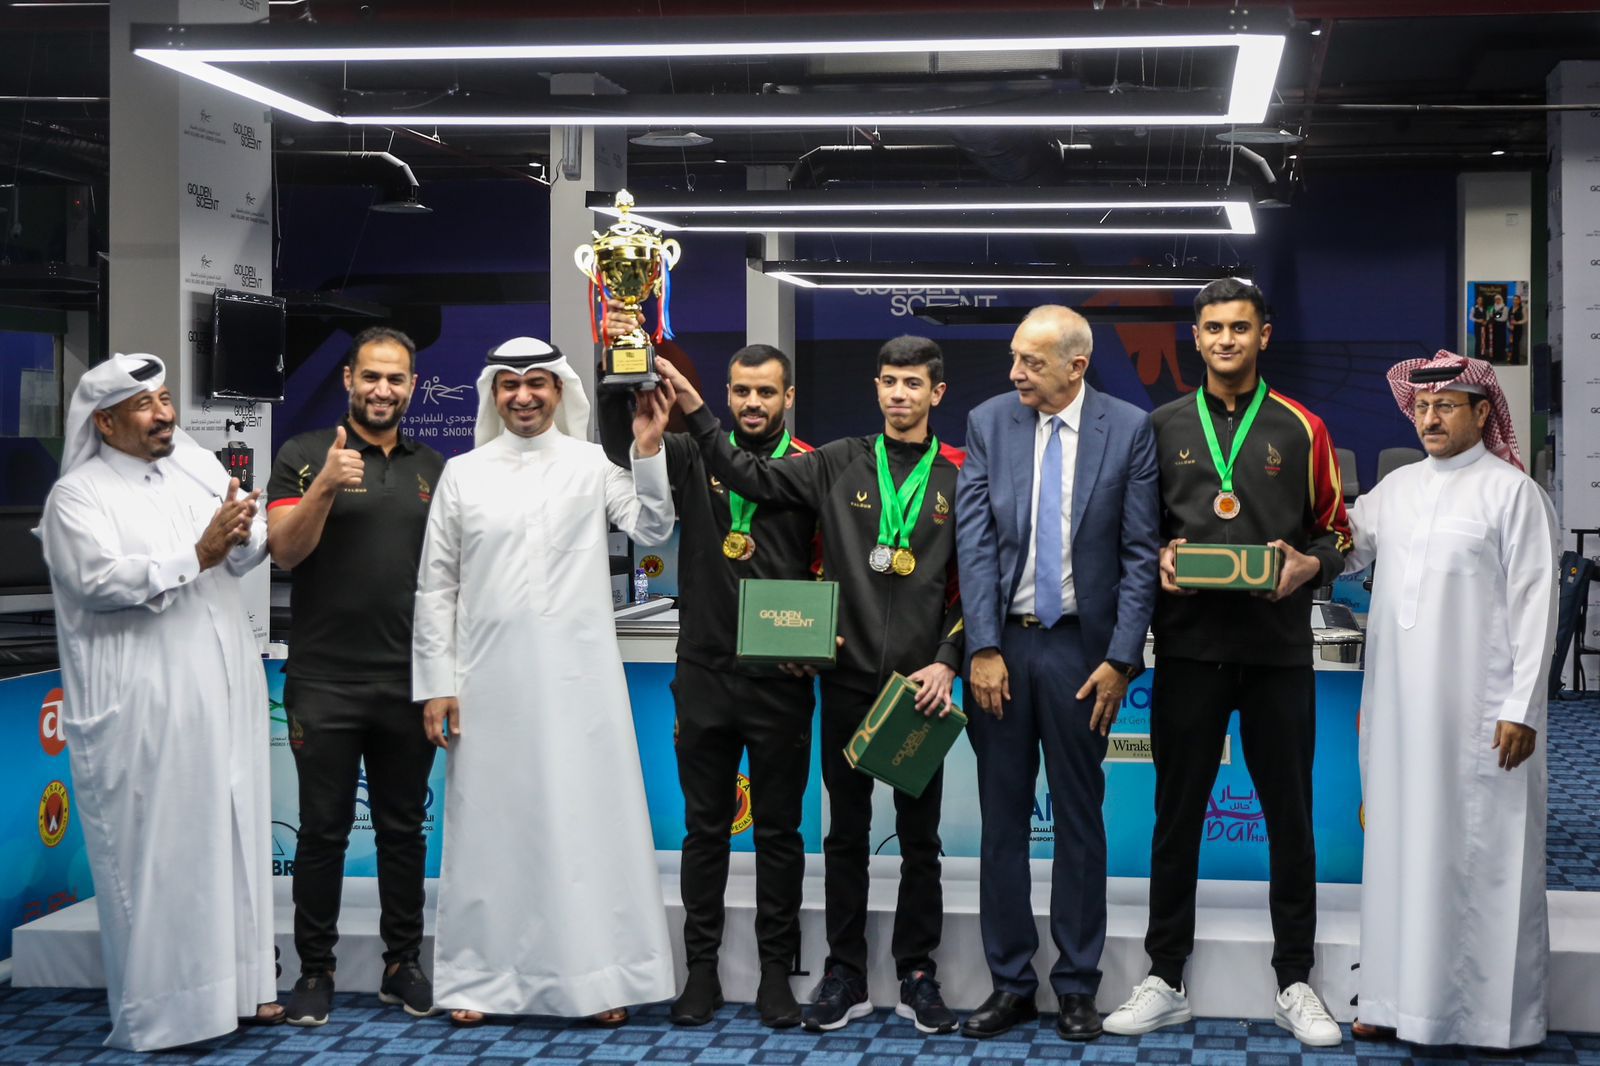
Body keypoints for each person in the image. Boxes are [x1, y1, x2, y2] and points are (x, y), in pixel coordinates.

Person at [657, 336, 965, 1035]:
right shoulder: (836, 461)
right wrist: (697, 410)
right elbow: (748, 476)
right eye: (888, 381)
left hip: (919, 688)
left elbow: (978, 577)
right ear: (875, 387)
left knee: (921, 840)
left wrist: (948, 656)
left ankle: (918, 973)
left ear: (936, 393)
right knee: (845, 835)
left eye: (913, 383)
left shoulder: (959, 474)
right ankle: (845, 972)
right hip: (847, 681)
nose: (899, 394)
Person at [1103, 278, 1350, 1047]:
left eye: (1240, 328)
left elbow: (1336, 533)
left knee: (1291, 818)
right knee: (1176, 817)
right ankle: (1164, 976)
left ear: (1263, 335)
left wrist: (1311, 567)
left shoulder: (1303, 427)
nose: (1226, 340)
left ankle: (1295, 979)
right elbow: (1136, 533)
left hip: (1277, 652)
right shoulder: (1161, 426)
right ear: (1197, 337)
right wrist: (1160, 559)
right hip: (1190, 649)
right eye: (1213, 328)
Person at [412, 337, 677, 1028]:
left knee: (588, 823)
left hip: (579, 682)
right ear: (493, 394)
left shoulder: (592, 464)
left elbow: (653, 527)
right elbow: (436, 587)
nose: (523, 395)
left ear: (560, 391)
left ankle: (601, 978)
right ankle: (480, 980)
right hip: (486, 684)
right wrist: (436, 683)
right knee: (491, 829)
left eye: (537, 383)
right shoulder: (463, 474)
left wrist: (648, 449)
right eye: (510, 384)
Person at [38, 353, 278, 1050]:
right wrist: (197, 554)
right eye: (145, 406)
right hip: (143, 700)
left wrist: (245, 531)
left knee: (228, 836)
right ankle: (167, 1013)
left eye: (166, 399)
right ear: (105, 423)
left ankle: (239, 992)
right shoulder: (76, 497)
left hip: (221, 684)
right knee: (166, 850)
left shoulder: (196, 467)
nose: (165, 415)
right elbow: (98, 583)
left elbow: (242, 554)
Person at [596, 303, 817, 1029]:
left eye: (766, 392)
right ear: (727, 394)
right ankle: (701, 971)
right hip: (704, 674)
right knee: (704, 830)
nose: (753, 402)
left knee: (779, 833)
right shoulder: (689, 455)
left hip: (780, 680)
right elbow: (623, 440)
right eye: (741, 391)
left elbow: (827, 565)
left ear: (788, 397)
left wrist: (816, 643)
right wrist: (620, 353)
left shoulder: (811, 465)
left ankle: (777, 973)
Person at [954, 305, 1160, 1042]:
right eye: (1014, 358)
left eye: (1031, 363)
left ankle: (1076, 985)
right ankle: (1010, 983)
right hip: (1002, 652)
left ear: (1077, 366)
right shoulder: (989, 423)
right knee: (1002, 821)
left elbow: (1140, 554)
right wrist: (981, 646)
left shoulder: (1128, 430)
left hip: (1083, 656)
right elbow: (974, 544)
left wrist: (1121, 659)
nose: (1015, 373)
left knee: (1079, 820)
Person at [1344, 350, 1557, 1050]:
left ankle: (1490, 1019)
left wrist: (1522, 708)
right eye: (1422, 407)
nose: (1430, 419)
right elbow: (1342, 546)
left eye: (1445, 407)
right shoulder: (1396, 489)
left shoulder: (1513, 494)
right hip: (1400, 715)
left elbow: (1537, 607)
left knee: (1481, 859)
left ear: (1482, 412)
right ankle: (1390, 998)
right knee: (1399, 852)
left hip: (1482, 717)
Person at [266, 326, 446, 1025]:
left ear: (412, 387)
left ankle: (403, 964)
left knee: (404, 830)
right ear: (348, 379)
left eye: (395, 378)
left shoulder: (434, 467)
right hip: (325, 682)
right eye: (371, 376)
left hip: (408, 683)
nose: (382, 389)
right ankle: (315, 970)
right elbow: (285, 552)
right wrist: (324, 489)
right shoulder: (305, 455)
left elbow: (448, 579)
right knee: (322, 832)